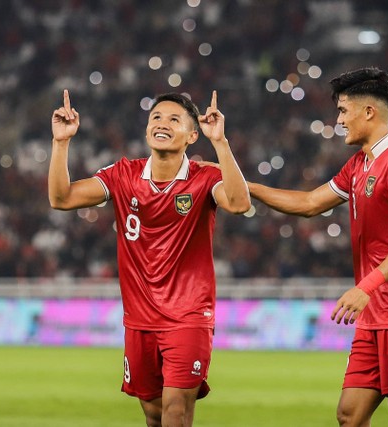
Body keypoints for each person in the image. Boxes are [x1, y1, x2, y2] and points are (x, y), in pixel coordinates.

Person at [245, 67, 388, 426]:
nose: (338, 121)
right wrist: (247, 187)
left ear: (369, 112)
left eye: (342, 111)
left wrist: (366, 286)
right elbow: (308, 204)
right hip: (373, 315)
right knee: (350, 415)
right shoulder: (359, 165)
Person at [49, 89, 251, 426]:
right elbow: (61, 198)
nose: (162, 124)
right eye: (156, 117)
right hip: (139, 319)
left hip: (188, 316)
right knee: (154, 415)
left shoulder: (205, 178)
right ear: (146, 130)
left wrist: (221, 143)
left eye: (175, 120)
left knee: (176, 412)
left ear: (192, 135)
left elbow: (239, 203)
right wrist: (60, 143)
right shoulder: (123, 174)